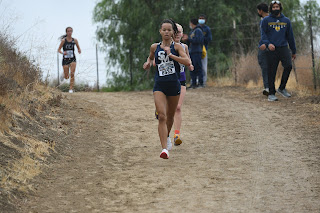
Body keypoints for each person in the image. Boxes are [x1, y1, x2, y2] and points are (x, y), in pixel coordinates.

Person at [143, 19, 191, 159]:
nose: (166, 32)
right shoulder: (154, 47)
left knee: (170, 116)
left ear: (173, 32)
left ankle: (168, 136)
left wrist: (170, 55)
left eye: (169, 30)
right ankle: (164, 149)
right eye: (164, 29)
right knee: (162, 116)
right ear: (160, 31)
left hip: (174, 85)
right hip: (159, 85)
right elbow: (151, 58)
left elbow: (187, 61)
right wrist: (148, 63)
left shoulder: (177, 47)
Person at [260, 1, 296, 101]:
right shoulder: (266, 20)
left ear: (280, 8)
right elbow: (263, 35)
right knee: (272, 71)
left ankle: (282, 88)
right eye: (274, 7)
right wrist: (268, 44)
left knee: (288, 66)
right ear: (271, 9)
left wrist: (293, 50)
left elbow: (290, 36)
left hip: (283, 47)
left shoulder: (286, 21)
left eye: (277, 7)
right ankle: (271, 94)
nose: (276, 8)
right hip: (272, 48)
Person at [173, 23, 194, 146]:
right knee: (167, 109)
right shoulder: (167, 47)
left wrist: (190, 65)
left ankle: (177, 135)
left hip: (181, 79)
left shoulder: (184, 46)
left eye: (180, 32)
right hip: (168, 80)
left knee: (178, 107)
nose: (178, 34)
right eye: (175, 31)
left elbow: (188, 59)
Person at [57, 27, 81, 93]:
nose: (70, 32)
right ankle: (64, 74)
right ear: (66, 32)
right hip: (65, 59)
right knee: (67, 77)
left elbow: (78, 48)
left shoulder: (75, 40)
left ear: (72, 32)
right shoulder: (63, 41)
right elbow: (58, 50)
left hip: (73, 59)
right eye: (68, 31)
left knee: (72, 73)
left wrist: (79, 50)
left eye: (71, 31)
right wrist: (63, 52)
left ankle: (71, 89)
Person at [182, 18, 204, 89]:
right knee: (192, 67)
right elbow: (190, 42)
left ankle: (201, 83)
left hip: (197, 51)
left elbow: (198, 40)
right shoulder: (192, 31)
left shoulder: (198, 30)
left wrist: (188, 39)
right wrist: (186, 40)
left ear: (192, 23)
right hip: (191, 51)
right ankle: (193, 83)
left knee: (198, 67)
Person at [257, 3, 270, 96]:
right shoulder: (264, 19)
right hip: (266, 45)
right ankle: (268, 87)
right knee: (266, 67)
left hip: (266, 46)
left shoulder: (266, 20)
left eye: (258, 10)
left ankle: (269, 87)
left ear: (261, 10)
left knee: (265, 67)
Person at [198, 14, 212, 87]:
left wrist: (202, 39)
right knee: (196, 66)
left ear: (205, 20)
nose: (201, 20)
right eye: (200, 18)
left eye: (202, 18)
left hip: (204, 50)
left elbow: (209, 39)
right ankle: (196, 81)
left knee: (203, 66)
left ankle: (203, 81)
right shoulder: (196, 28)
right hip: (195, 50)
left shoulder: (207, 29)